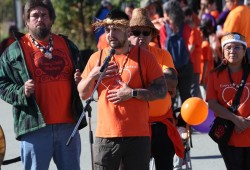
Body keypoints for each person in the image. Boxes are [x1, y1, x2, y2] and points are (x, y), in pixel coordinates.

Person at [0, 0, 87, 169]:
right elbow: (1, 83)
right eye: (35, 16)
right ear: (26, 21)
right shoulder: (15, 51)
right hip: (34, 128)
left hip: (68, 126)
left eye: (44, 15)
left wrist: (80, 80)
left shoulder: (68, 46)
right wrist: (20, 91)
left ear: (51, 19)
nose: (40, 19)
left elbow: (84, 75)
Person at [78, 9, 167, 169]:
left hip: (138, 137)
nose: (110, 34)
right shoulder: (96, 58)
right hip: (106, 137)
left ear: (127, 30)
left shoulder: (145, 57)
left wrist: (133, 93)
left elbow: (161, 91)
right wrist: (93, 75)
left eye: (116, 29)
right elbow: (83, 93)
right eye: (107, 30)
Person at [129, 8, 184, 170]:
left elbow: (172, 81)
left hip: (161, 124)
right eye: (136, 32)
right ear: (127, 34)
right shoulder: (122, 57)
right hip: (134, 126)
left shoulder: (162, 54)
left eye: (146, 33)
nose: (141, 37)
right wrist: (158, 81)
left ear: (152, 35)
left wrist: (140, 81)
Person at [206, 32, 250, 170]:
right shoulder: (214, 75)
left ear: (244, 51)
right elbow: (212, 104)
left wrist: (247, 122)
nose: (232, 51)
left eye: (237, 47)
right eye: (228, 48)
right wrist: (236, 120)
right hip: (229, 137)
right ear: (223, 52)